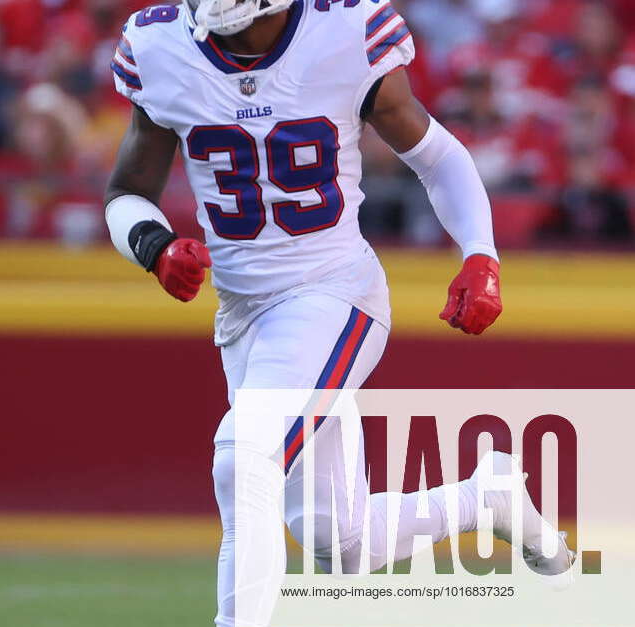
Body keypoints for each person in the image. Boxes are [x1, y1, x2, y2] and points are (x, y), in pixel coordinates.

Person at [104, 1, 572, 626]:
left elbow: (434, 155)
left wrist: (481, 256)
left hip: (330, 291)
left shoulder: (343, 29)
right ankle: (486, 499)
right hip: (244, 314)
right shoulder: (160, 45)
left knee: (245, 459)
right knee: (340, 542)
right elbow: (127, 191)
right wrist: (152, 245)